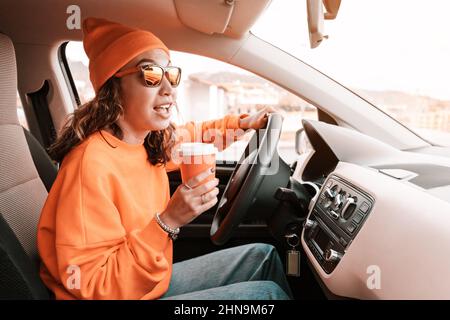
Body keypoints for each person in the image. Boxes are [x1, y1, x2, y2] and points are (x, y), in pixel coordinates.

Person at [37, 17, 293, 300]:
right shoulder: (90, 166)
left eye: (171, 75)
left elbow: (198, 137)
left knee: (263, 255)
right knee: (266, 295)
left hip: (145, 285)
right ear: (113, 88)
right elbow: (94, 284)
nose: (169, 89)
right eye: (151, 75)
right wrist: (169, 221)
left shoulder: (148, 143)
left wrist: (244, 123)